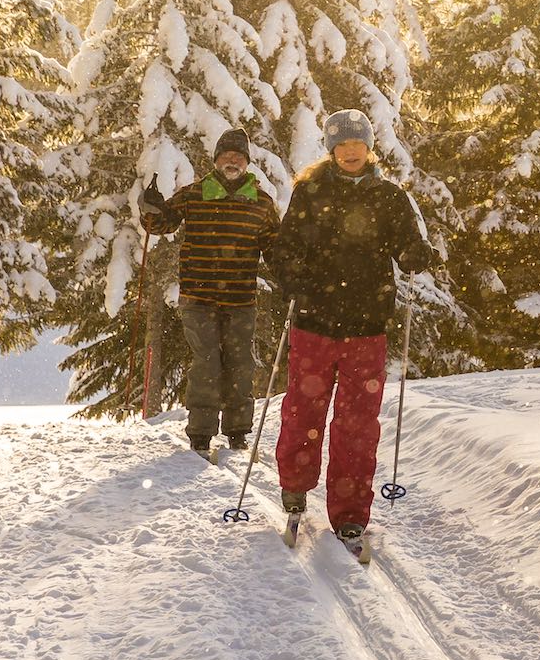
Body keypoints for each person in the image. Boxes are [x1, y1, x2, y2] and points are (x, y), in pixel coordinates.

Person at [268, 108, 439, 551]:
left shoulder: (389, 197)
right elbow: (284, 248)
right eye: (342, 144)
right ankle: (294, 487)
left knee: (358, 424)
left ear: (369, 148)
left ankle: (349, 513)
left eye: (357, 144)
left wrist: (417, 253)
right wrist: (295, 276)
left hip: (367, 324)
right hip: (315, 322)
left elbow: (406, 247)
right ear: (330, 148)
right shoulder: (309, 193)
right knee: (304, 411)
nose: (350, 151)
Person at [140, 127, 280, 456]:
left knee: (240, 364)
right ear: (216, 160)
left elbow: (274, 248)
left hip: (241, 299)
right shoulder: (195, 193)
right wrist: (151, 208)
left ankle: (237, 432)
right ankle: (201, 434)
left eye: (238, 156)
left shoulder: (261, 202)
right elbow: (162, 224)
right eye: (226, 155)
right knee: (206, 363)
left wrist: (292, 264)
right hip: (198, 297)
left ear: (246, 162)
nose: (232, 160)